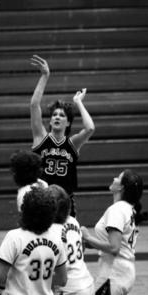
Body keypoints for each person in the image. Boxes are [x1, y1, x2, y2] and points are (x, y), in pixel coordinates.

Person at [30, 54, 95, 216]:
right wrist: (45, 76)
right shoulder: (41, 138)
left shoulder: (72, 143)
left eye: (62, 115)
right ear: (50, 121)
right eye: (54, 115)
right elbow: (34, 105)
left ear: (68, 123)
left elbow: (90, 128)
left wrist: (78, 102)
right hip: (42, 200)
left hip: (65, 201)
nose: (57, 117)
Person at [81, 169, 148, 295]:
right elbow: (115, 243)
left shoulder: (117, 210)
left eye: (118, 178)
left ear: (121, 188)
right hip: (123, 271)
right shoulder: (128, 209)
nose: (114, 178)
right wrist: (87, 242)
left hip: (114, 273)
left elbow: (114, 248)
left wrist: (88, 237)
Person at [0, 187, 67, 295]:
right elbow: (62, 280)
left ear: (24, 210)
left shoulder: (14, 237)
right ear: (52, 214)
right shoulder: (57, 239)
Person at [49, 184, 94, 295]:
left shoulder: (51, 230)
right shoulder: (73, 221)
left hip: (70, 289)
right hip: (87, 282)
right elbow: (81, 249)